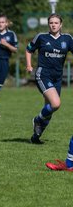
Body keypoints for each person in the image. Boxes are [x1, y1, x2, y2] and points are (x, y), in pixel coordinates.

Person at [26, 13, 73, 145]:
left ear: (61, 25)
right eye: (51, 22)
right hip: (43, 74)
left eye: (56, 23)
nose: (53, 25)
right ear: (48, 24)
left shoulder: (68, 39)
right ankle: (37, 119)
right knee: (55, 104)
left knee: (49, 108)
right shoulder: (41, 37)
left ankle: (36, 136)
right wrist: (29, 65)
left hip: (57, 77)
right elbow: (29, 50)